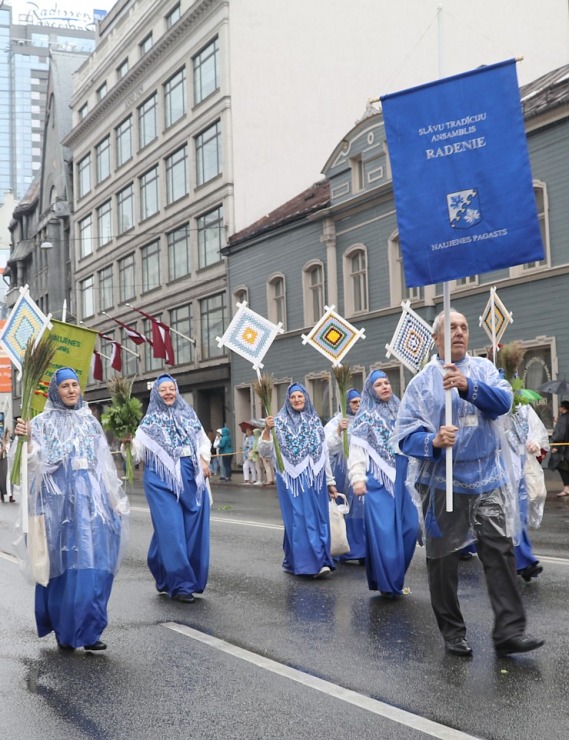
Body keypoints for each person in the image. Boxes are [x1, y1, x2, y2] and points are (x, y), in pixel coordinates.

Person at [392, 309, 544, 658]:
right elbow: (404, 437)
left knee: (499, 551)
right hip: (443, 482)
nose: (459, 332)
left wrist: (468, 387)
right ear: (437, 338)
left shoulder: (484, 370)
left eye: (463, 327)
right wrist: (431, 441)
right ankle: (453, 632)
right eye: (452, 328)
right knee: (443, 560)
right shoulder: (421, 383)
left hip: (487, 478)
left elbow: (503, 402)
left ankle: (509, 631)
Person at [13, 367, 128, 651]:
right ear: (55, 390)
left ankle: (89, 630)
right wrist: (25, 440)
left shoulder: (90, 422)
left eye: (75, 385)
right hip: (57, 506)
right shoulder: (39, 423)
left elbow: (103, 462)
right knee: (62, 565)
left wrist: (114, 498)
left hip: (92, 502)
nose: (71, 390)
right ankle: (65, 629)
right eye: (65, 386)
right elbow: (32, 466)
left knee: (93, 562)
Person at [130, 374, 211, 604]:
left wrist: (205, 460)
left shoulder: (189, 415)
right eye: (163, 389)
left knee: (189, 531)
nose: (168, 393)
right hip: (160, 480)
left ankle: (160, 566)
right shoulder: (148, 423)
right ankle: (181, 585)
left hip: (191, 477)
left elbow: (203, 441)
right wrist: (128, 443)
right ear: (156, 393)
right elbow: (138, 454)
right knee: (172, 529)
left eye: (171, 389)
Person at [347, 372, 418, 595]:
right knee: (386, 536)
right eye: (378, 384)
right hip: (378, 481)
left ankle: (392, 576)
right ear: (370, 389)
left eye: (387, 382)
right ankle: (389, 584)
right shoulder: (364, 417)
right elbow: (356, 451)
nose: (385, 387)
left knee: (411, 528)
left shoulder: (403, 410)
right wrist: (357, 478)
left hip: (405, 478)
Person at [259, 383, 337, 577]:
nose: (297, 400)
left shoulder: (314, 420)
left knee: (317, 519)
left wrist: (330, 482)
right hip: (292, 482)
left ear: (306, 398)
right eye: (293, 397)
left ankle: (307, 559)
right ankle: (310, 565)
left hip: (316, 480)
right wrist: (267, 430)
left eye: (300, 396)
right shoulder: (279, 421)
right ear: (288, 400)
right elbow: (265, 451)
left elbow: (324, 453)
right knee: (300, 518)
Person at [324, 388, 365, 561]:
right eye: (354, 402)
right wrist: (339, 431)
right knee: (345, 510)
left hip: (362, 474)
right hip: (342, 474)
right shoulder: (335, 422)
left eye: (360, 401)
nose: (358, 405)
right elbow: (326, 447)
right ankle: (344, 549)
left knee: (363, 511)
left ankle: (364, 550)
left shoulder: (366, 420)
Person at [549, 400, 569, 497]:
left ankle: (566, 488)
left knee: (562, 467)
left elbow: (560, 433)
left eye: (560, 406)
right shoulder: (565, 418)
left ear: (563, 408)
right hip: (566, 448)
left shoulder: (563, 419)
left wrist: (556, 446)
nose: (559, 408)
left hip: (563, 449)